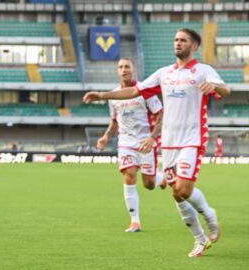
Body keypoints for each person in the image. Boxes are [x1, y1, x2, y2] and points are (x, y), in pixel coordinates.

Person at [84, 29, 230, 257]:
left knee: (183, 188)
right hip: (169, 143)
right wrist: (102, 96)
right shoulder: (164, 74)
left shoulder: (203, 71)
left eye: (183, 40)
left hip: (192, 139)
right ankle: (199, 239)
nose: (178, 43)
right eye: (176, 40)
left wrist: (215, 87)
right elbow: (134, 91)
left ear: (194, 46)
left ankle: (210, 216)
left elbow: (226, 89)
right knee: (176, 194)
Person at [94, 58, 166, 233]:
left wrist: (152, 137)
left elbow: (161, 115)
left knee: (148, 184)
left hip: (145, 142)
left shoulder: (145, 91)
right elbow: (114, 122)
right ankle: (135, 221)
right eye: (120, 67)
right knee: (129, 175)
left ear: (133, 70)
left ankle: (160, 178)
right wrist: (105, 137)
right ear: (117, 71)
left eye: (127, 66)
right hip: (125, 143)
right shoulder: (114, 97)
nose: (124, 69)